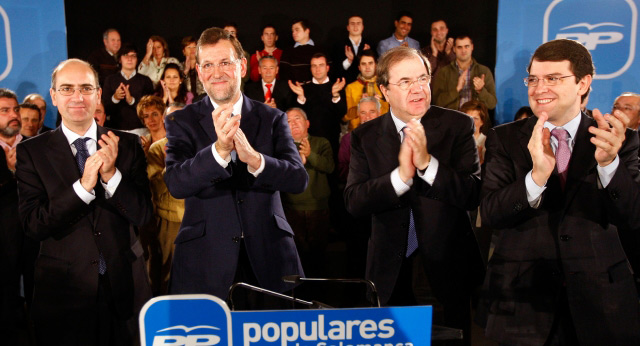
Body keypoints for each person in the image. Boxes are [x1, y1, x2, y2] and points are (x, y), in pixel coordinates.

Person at [476, 39, 640, 345]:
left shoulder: (620, 140)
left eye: (553, 78)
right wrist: (536, 177)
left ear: (583, 83)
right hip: (522, 304)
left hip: (602, 303)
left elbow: (632, 215)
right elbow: (492, 213)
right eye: (534, 79)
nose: (539, 89)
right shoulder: (504, 138)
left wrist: (609, 166)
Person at [344, 46, 483, 344]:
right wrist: (400, 178)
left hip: (446, 268)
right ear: (384, 90)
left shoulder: (458, 126)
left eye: (423, 78)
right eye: (405, 82)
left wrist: (426, 166)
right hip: (389, 272)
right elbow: (354, 201)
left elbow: (472, 193)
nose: (418, 88)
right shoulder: (364, 137)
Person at [164, 28, 307, 304]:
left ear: (242, 66)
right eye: (208, 65)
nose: (216, 72)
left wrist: (254, 159)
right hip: (204, 263)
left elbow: (298, 180)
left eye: (225, 62)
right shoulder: (181, 122)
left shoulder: (273, 118)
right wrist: (218, 151)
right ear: (199, 72)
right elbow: (176, 183)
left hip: (269, 261)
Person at [16, 59, 152, 345]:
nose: (78, 97)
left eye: (86, 88)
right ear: (53, 96)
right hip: (64, 295)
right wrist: (83, 187)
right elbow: (34, 225)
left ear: (98, 94)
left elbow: (142, 215)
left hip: (124, 287)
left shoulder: (126, 145)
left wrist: (111, 176)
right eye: (67, 89)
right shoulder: (31, 152)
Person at [282, 107, 334, 282]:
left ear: (307, 123)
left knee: (319, 255)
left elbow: (329, 166)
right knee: (296, 255)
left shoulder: (321, 143)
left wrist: (309, 155)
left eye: (297, 119)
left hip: (318, 208)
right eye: (288, 121)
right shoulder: (281, 146)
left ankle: (320, 292)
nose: (293, 124)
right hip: (291, 209)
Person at [0, 88, 24, 344]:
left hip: (35, 240)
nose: (13, 115)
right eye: (5, 111)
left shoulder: (34, 146)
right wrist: (10, 172)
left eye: (15, 109)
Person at [289, 53, 346, 156]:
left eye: (321, 65)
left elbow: (342, 113)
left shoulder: (337, 87)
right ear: (310, 69)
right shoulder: (303, 89)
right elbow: (298, 116)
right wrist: (301, 97)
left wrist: (336, 95)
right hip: (309, 141)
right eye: (314, 66)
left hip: (332, 139)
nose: (317, 69)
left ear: (327, 68)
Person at [432, 35, 497, 111]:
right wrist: (457, 89)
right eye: (459, 47)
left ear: (472, 47)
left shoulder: (484, 71)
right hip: (452, 120)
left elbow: (492, 104)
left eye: (466, 46)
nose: (463, 50)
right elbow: (436, 103)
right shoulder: (444, 72)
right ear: (454, 49)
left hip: (475, 120)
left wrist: (481, 91)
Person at [102, 43, 154, 130]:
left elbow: (150, 108)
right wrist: (115, 98)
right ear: (120, 59)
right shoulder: (110, 80)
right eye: (126, 55)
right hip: (116, 130)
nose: (130, 59)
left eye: (133, 56)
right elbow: (105, 109)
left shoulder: (145, 81)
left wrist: (131, 101)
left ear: (137, 59)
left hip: (141, 130)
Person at [342, 50, 389, 131]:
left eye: (370, 63)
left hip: (382, 132)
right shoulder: (350, 88)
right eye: (364, 64)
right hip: (356, 133)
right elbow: (344, 118)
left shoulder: (384, 86)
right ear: (359, 67)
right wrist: (360, 106)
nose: (367, 67)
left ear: (376, 65)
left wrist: (379, 104)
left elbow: (391, 114)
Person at [338, 96, 381, 182]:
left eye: (372, 112)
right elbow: (342, 168)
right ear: (358, 114)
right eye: (363, 113)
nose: (367, 117)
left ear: (379, 113)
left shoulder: (391, 135)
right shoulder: (348, 139)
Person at [279, 19, 322, 83]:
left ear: (307, 31)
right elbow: (284, 76)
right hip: (293, 90)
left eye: (297, 30)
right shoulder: (287, 52)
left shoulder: (321, 50)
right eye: (292, 31)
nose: (294, 33)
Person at [332, 15, 373, 84]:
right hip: (346, 84)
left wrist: (365, 55)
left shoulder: (370, 45)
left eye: (358, 23)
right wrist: (349, 61)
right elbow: (336, 69)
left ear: (362, 27)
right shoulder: (338, 45)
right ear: (348, 27)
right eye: (352, 24)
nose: (355, 26)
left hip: (366, 83)